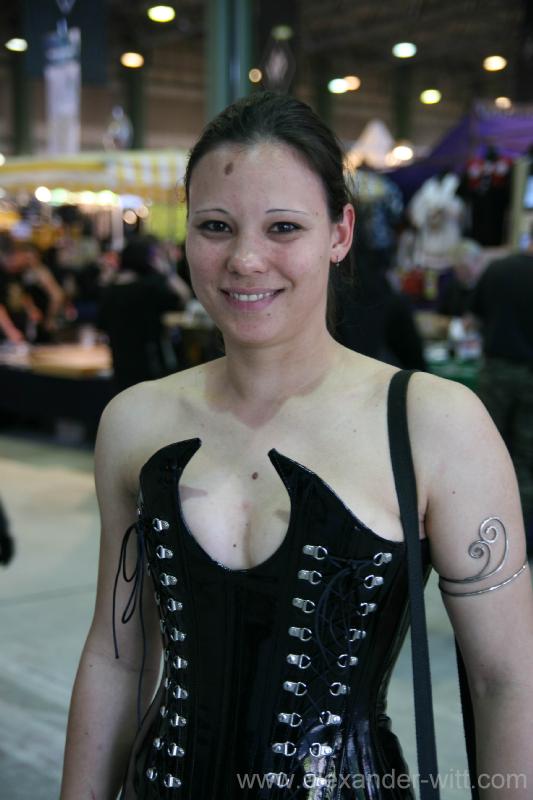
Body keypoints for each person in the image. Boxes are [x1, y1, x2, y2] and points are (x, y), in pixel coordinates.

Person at [60, 92, 533, 799]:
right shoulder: (135, 422)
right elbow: (116, 655)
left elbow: (507, 680)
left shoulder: (433, 424)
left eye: (283, 226)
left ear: (339, 233)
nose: (246, 259)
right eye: (215, 226)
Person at [469, 238, 533, 553]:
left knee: (487, 452)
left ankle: (482, 531)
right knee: (526, 458)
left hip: (496, 369)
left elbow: (475, 315)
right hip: (530, 376)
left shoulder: (498, 270)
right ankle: (521, 538)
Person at [98, 236, 188, 393]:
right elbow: (183, 297)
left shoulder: (109, 290)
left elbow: (101, 325)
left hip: (121, 366)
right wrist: (167, 272)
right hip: (151, 364)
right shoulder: (151, 286)